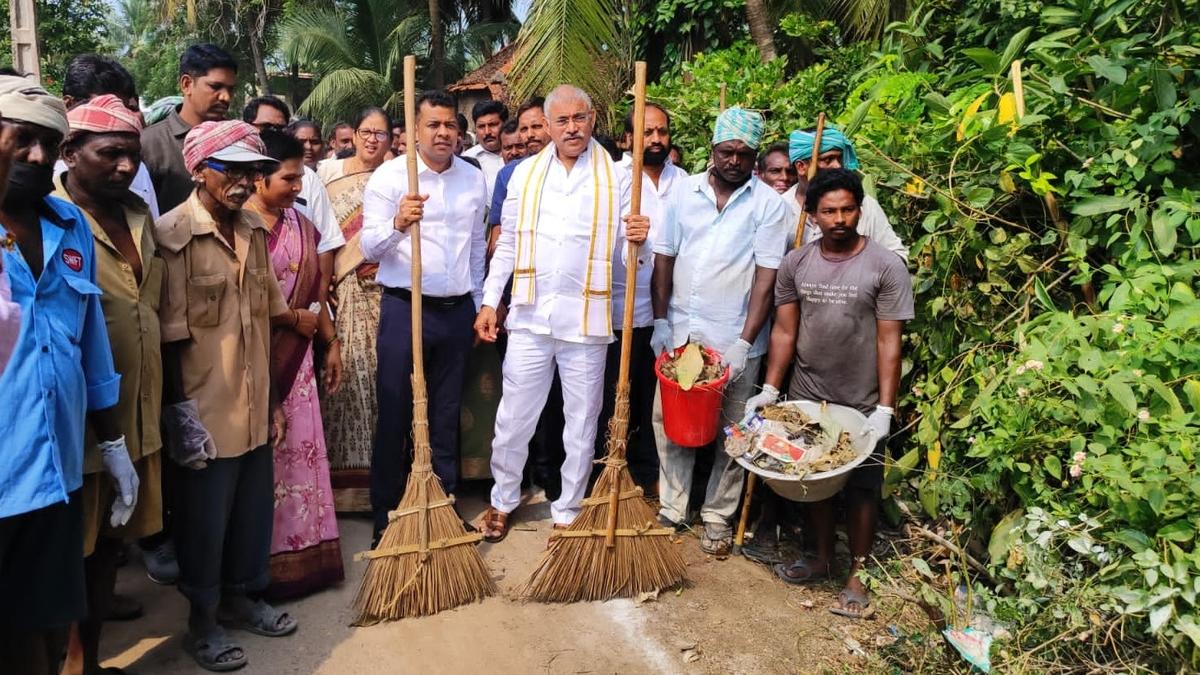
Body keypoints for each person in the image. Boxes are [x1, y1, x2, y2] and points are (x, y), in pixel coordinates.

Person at [475, 85, 649, 542]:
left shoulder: (621, 178)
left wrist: (639, 238)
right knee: (514, 416)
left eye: (580, 118)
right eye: (562, 121)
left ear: (593, 120)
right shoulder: (524, 175)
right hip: (532, 316)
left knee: (582, 420)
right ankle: (503, 499)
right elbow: (507, 244)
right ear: (547, 126)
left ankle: (568, 507)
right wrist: (492, 300)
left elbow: (634, 259)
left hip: (588, 320)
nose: (572, 128)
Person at [0, 74, 130, 675]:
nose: (36, 156)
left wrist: (113, 442)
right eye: (21, 138)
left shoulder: (67, 225)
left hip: (55, 470)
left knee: (46, 626)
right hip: (4, 472)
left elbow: (91, 341)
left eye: (48, 144)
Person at [156, 120, 298, 670]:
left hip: (254, 401)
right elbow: (168, 341)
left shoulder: (253, 231)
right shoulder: (173, 238)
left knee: (249, 513)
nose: (243, 181)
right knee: (203, 521)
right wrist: (178, 416)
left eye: (252, 170)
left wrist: (277, 400)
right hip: (204, 408)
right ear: (199, 169)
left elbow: (267, 319)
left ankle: (243, 598)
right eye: (230, 169)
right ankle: (204, 620)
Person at [746, 168, 913, 619]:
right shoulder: (797, 263)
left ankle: (857, 574)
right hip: (808, 393)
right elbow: (784, 330)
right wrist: (770, 388)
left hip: (861, 398)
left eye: (847, 209)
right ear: (811, 213)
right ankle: (819, 556)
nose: (839, 219)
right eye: (828, 211)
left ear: (860, 209)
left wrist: (884, 408)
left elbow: (889, 340)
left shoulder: (885, 265)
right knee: (811, 484)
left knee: (862, 489)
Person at [51, 94, 165, 675]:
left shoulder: (143, 219)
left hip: (136, 420)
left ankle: (88, 661)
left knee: (107, 555)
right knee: (69, 557)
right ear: (70, 152)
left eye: (132, 155)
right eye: (110, 154)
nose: (125, 166)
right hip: (77, 428)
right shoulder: (47, 222)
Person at [650, 107, 788, 555]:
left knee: (734, 428)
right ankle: (673, 506)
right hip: (682, 332)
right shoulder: (683, 193)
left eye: (744, 154)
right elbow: (664, 259)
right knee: (670, 420)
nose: (734, 161)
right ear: (712, 149)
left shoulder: (767, 205)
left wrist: (745, 343)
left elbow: (766, 277)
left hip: (733, 337)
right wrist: (660, 321)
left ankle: (716, 515)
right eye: (726, 151)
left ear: (754, 158)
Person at [361, 90, 488, 542]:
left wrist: (477, 302)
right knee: (395, 411)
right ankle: (387, 514)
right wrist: (398, 223)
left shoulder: (472, 179)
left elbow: (476, 248)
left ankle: (444, 505)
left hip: (455, 311)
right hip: (405, 306)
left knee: (446, 412)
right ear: (414, 130)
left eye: (450, 125)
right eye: (433, 124)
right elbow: (367, 247)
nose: (443, 133)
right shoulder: (391, 178)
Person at [246, 130, 345, 599]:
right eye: (288, 178)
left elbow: (316, 294)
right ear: (259, 178)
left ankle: (306, 561)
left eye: (301, 177)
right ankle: (258, 573)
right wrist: (292, 319)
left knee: (300, 462)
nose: (298, 187)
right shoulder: (240, 228)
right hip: (253, 362)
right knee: (263, 470)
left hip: (299, 364)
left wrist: (332, 342)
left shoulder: (302, 225)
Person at [594, 102, 685, 497]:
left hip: (663, 311)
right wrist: (627, 236)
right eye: (646, 132)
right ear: (628, 138)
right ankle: (605, 472)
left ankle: (648, 475)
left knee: (652, 398)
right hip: (615, 308)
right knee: (611, 392)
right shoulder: (610, 180)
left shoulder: (686, 184)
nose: (656, 139)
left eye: (662, 132)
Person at [319, 107, 390, 511]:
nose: (372, 140)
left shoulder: (400, 174)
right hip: (347, 290)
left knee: (386, 384)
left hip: (389, 291)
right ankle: (347, 493)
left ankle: (385, 480)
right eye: (366, 131)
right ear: (354, 134)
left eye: (381, 134)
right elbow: (325, 236)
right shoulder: (330, 175)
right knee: (349, 380)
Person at [244, 98, 346, 263]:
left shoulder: (308, 178)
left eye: (280, 128)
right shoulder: (230, 178)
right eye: (266, 127)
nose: (296, 187)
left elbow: (326, 243)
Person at [61, 54, 161, 219]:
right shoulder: (41, 175)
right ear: (69, 105)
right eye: (104, 108)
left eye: (123, 109)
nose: (119, 118)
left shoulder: (137, 170)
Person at [142, 43, 238, 216]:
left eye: (230, 89)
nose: (226, 97)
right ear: (186, 84)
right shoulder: (149, 143)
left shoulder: (237, 143)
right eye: (215, 87)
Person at [785, 127, 907, 258]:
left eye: (839, 158)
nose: (837, 165)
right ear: (801, 167)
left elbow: (897, 255)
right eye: (828, 159)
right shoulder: (780, 207)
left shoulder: (864, 204)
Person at [462, 100, 507, 198]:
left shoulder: (521, 154)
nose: (487, 132)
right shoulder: (466, 160)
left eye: (493, 125)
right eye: (481, 126)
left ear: (505, 124)